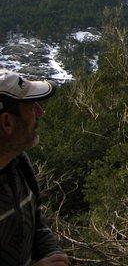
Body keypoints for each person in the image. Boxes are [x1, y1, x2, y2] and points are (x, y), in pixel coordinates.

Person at [0, 70, 69, 266]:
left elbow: (36, 220)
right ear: (7, 122)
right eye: (31, 107)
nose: (40, 112)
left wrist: (53, 253)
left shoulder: (18, 163)